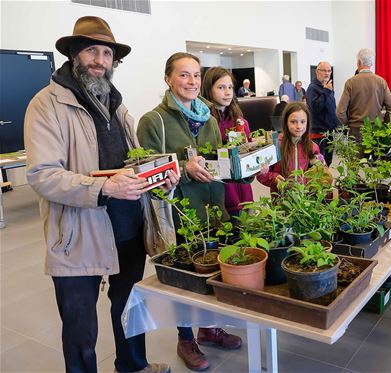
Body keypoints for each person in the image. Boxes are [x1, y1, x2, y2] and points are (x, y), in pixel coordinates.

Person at [24, 16, 173, 373]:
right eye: (92, 50)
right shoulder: (46, 105)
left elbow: (135, 164)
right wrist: (104, 187)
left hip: (127, 228)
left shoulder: (118, 107)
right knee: (79, 326)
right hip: (77, 232)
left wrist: (158, 179)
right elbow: (43, 175)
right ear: (75, 54)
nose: (99, 60)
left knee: (129, 306)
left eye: (106, 53)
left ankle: (133, 365)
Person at [137, 53, 242, 372]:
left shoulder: (208, 119)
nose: (192, 81)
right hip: (179, 214)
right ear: (168, 78)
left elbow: (215, 162)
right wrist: (183, 168)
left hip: (213, 208)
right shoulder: (153, 121)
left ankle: (208, 328)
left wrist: (242, 164)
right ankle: (185, 338)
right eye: (184, 75)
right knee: (183, 279)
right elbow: (145, 172)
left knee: (213, 271)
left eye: (196, 75)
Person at [201, 66, 254, 217]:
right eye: (221, 87)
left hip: (244, 195)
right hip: (220, 196)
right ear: (208, 89)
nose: (228, 92)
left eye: (230, 87)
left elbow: (249, 152)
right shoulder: (204, 122)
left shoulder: (241, 121)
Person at [257, 102, 327, 194]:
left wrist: (318, 165)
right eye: (293, 122)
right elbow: (261, 173)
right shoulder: (275, 145)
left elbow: (323, 170)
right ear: (286, 122)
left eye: (303, 122)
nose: (299, 126)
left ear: (308, 123)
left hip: (305, 200)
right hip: (281, 201)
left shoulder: (312, 146)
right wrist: (274, 178)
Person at [336, 48, 391, 142]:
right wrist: (384, 122)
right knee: (376, 156)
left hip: (356, 130)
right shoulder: (381, 82)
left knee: (356, 157)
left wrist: (349, 124)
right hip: (377, 130)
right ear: (371, 64)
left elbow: (340, 112)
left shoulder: (350, 82)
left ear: (359, 62)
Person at [306, 61, 340, 166]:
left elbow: (331, 108)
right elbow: (316, 108)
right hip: (318, 134)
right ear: (317, 72)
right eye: (324, 70)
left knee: (328, 162)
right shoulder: (312, 88)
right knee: (318, 164)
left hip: (329, 132)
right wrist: (326, 91)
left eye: (329, 70)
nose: (327, 73)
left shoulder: (327, 87)